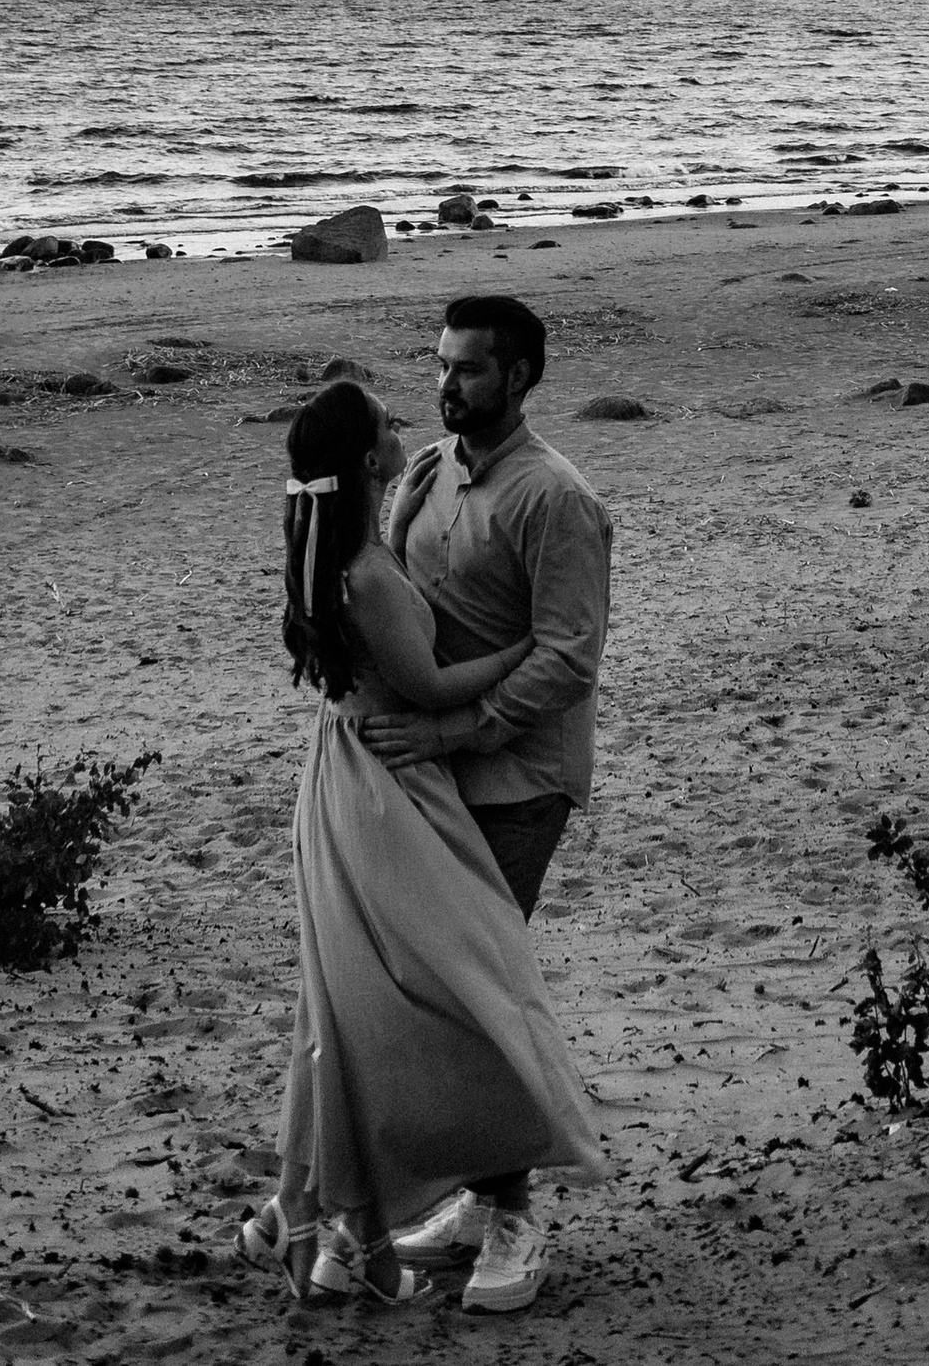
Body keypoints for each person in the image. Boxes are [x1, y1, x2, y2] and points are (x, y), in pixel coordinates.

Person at [236, 366, 608, 1311]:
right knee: (464, 991)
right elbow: (434, 681)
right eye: (396, 413)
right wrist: (529, 646)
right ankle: (417, 1211)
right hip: (394, 784)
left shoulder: (335, 546)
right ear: (370, 460)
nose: (430, 397)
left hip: (352, 771)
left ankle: (313, 1210)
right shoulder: (382, 541)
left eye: (461, 367)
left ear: (519, 374)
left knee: (347, 1005)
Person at [358, 292, 614, 1313]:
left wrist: (454, 730)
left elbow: (568, 658)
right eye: (439, 364)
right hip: (434, 774)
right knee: (435, 992)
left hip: (519, 782)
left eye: (466, 368)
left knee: (479, 994)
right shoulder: (426, 470)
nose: (445, 382)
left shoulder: (556, 499)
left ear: (517, 376)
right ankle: (477, 1200)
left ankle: (512, 1219)